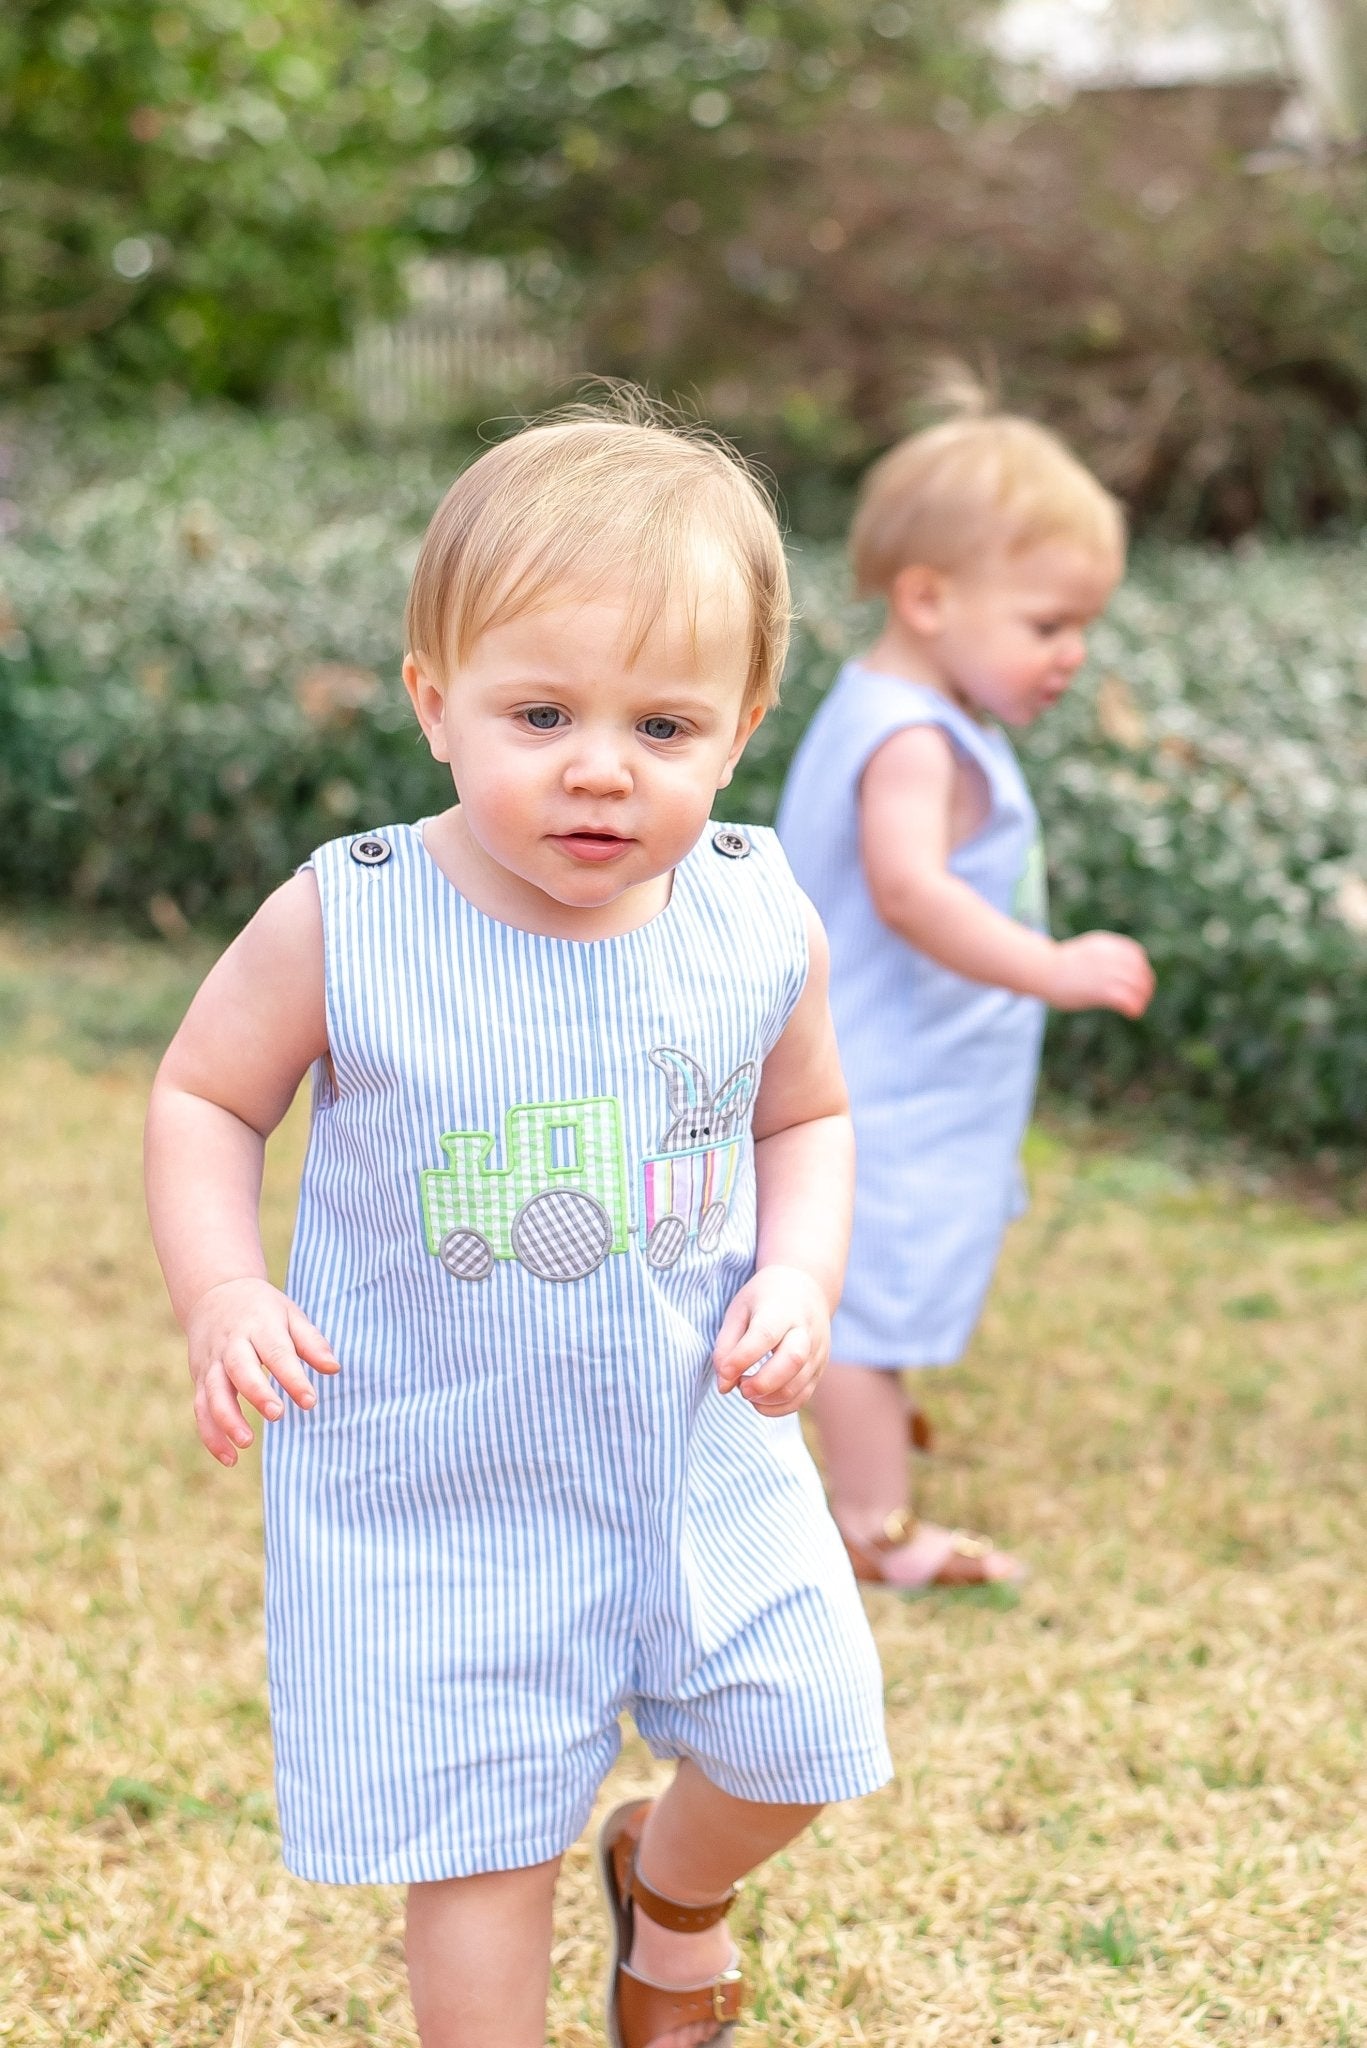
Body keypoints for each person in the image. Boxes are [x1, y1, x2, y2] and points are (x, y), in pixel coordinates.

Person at [144, 404, 891, 2048]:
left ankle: (672, 1891)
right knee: (479, 1848)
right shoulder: (350, 914)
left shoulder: (754, 914)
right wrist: (222, 1290)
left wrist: (800, 1267)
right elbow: (206, 1097)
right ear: (434, 702)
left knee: (805, 1729)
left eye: (666, 722)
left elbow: (805, 1113)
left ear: (743, 725)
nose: (600, 765)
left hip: (703, 1449)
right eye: (539, 710)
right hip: (444, 1483)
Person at [777, 398, 1155, 1593]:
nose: (1072, 653)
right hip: (886, 1082)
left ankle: (858, 1444)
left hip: (899, 1069)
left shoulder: (893, 709)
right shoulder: (915, 743)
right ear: (928, 598)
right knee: (866, 1306)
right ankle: (869, 1525)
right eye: (1048, 622)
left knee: (869, 1287)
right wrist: (1053, 966)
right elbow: (905, 890)